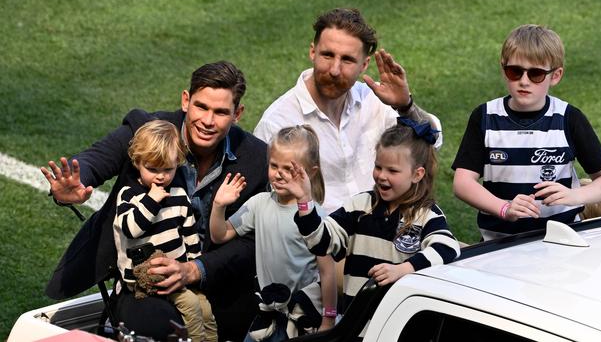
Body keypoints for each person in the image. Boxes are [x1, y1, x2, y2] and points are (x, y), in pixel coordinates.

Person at [40, 61, 268, 340]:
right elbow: (99, 158)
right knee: (163, 327)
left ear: (238, 114)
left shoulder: (257, 158)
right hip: (144, 285)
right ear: (186, 101)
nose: (208, 121)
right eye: (201, 107)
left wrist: (195, 270)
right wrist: (74, 183)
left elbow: (252, 242)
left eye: (221, 112)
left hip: (217, 280)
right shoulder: (147, 129)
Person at [254, 7, 443, 214]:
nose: (335, 70)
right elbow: (270, 206)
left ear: (364, 65)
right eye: (327, 55)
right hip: (319, 238)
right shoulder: (277, 122)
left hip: (385, 226)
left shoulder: (375, 99)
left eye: (347, 60)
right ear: (312, 52)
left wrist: (405, 107)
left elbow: (433, 142)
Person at [452, 24, 601, 241]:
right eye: (515, 71)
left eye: (536, 74)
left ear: (556, 75)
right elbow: (462, 182)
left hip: (562, 240)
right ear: (503, 69)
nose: (524, 81)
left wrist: (574, 196)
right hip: (499, 244)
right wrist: (504, 208)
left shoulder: (568, 118)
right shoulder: (485, 117)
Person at [279, 119, 460, 311]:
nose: (382, 175)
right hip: (355, 324)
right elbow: (321, 242)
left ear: (417, 174)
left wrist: (403, 270)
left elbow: (447, 248)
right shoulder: (359, 206)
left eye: (392, 170)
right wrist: (305, 201)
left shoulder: (427, 215)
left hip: (395, 323)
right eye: (378, 167)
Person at [210, 125, 337, 341]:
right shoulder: (260, 204)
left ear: (311, 172)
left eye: (289, 169)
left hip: (302, 317)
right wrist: (218, 205)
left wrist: (329, 320)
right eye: (273, 165)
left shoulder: (314, 217)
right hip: (267, 315)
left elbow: (328, 273)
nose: (278, 174)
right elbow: (219, 235)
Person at [113, 120, 217, 342]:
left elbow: (189, 234)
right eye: (152, 169)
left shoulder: (178, 194)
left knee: (205, 307)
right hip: (145, 281)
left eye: (168, 169)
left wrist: (193, 267)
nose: (160, 177)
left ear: (177, 164)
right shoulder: (129, 195)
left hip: (177, 275)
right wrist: (152, 200)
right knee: (190, 306)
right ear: (137, 162)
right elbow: (130, 229)